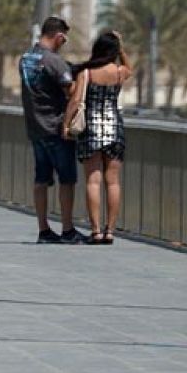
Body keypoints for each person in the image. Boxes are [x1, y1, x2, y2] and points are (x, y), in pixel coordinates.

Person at [20, 16, 85, 244]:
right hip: (57, 129)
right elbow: (71, 91)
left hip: (35, 128)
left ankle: (43, 229)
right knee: (67, 179)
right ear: (58, 36)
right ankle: (67, 229)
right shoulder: (54, 61)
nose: (63, 43)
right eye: (63, 39)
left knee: (41, 179)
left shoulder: (26, 58)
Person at [64, 31, 131, 245]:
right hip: (114, 128)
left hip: (91, 128)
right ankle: (110, 231)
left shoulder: (87, 72)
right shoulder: (119, 72)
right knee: (113, 182)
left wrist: (66, 125)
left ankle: (95, 231)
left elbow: (75, 101)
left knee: (93, 181)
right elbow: (130, 68)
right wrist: (121, 48)